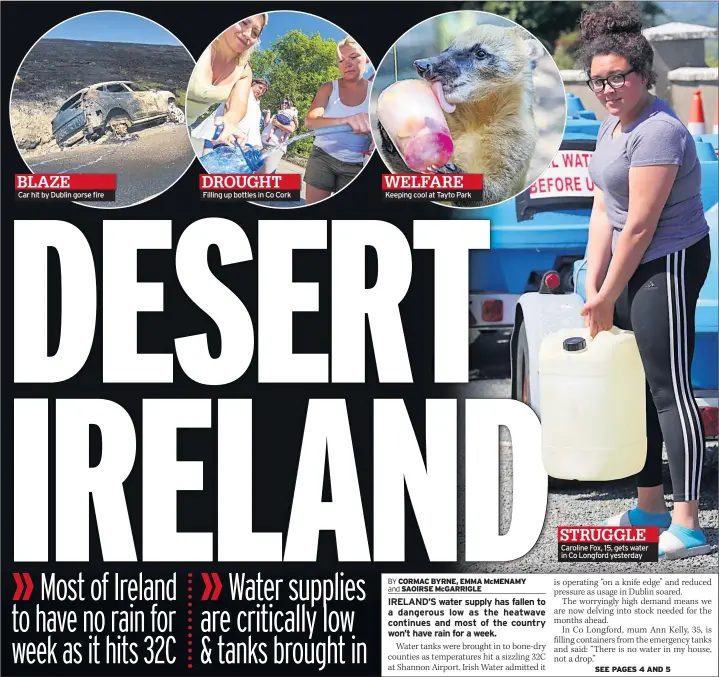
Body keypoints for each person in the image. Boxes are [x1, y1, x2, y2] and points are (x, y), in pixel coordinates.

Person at [578, 3, 711, 560]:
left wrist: (609, 293)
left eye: (618, 78)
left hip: (668, 261)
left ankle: (689, 523)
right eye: (598, 80)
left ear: (643, 74)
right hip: (631, 264)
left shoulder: (658, 131)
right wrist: (593, 285)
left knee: (667, 388)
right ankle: (650, 506)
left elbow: (639, 226)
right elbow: (603, 205)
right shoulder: (614, 124)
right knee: (634, 391)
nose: (607, 89)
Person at [303, 37, 372, 204]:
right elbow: (310, 122)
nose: (346, 64)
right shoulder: (328, 88)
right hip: (322, 156)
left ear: (367, 59)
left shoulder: (375, 92)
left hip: (357, 164)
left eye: (354, 57)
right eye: (341, 60)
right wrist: (346, 120)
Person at [186, 14, 268, 128]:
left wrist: (230, 120)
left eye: (255, 33)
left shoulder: (244, 69)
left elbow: (239, 104)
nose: (248, 34)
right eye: (244, 22)